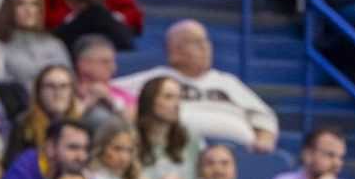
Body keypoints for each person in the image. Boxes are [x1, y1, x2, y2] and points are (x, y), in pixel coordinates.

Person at [117, 20, 278, 150]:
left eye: (206, 41)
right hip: (173, 151)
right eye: (196, 42)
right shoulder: (156, 78)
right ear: (174, 51)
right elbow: (112, 92)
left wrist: (264, 139)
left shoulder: (228, 82)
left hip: (238, 158)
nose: (205, 47)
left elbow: (263, 116)